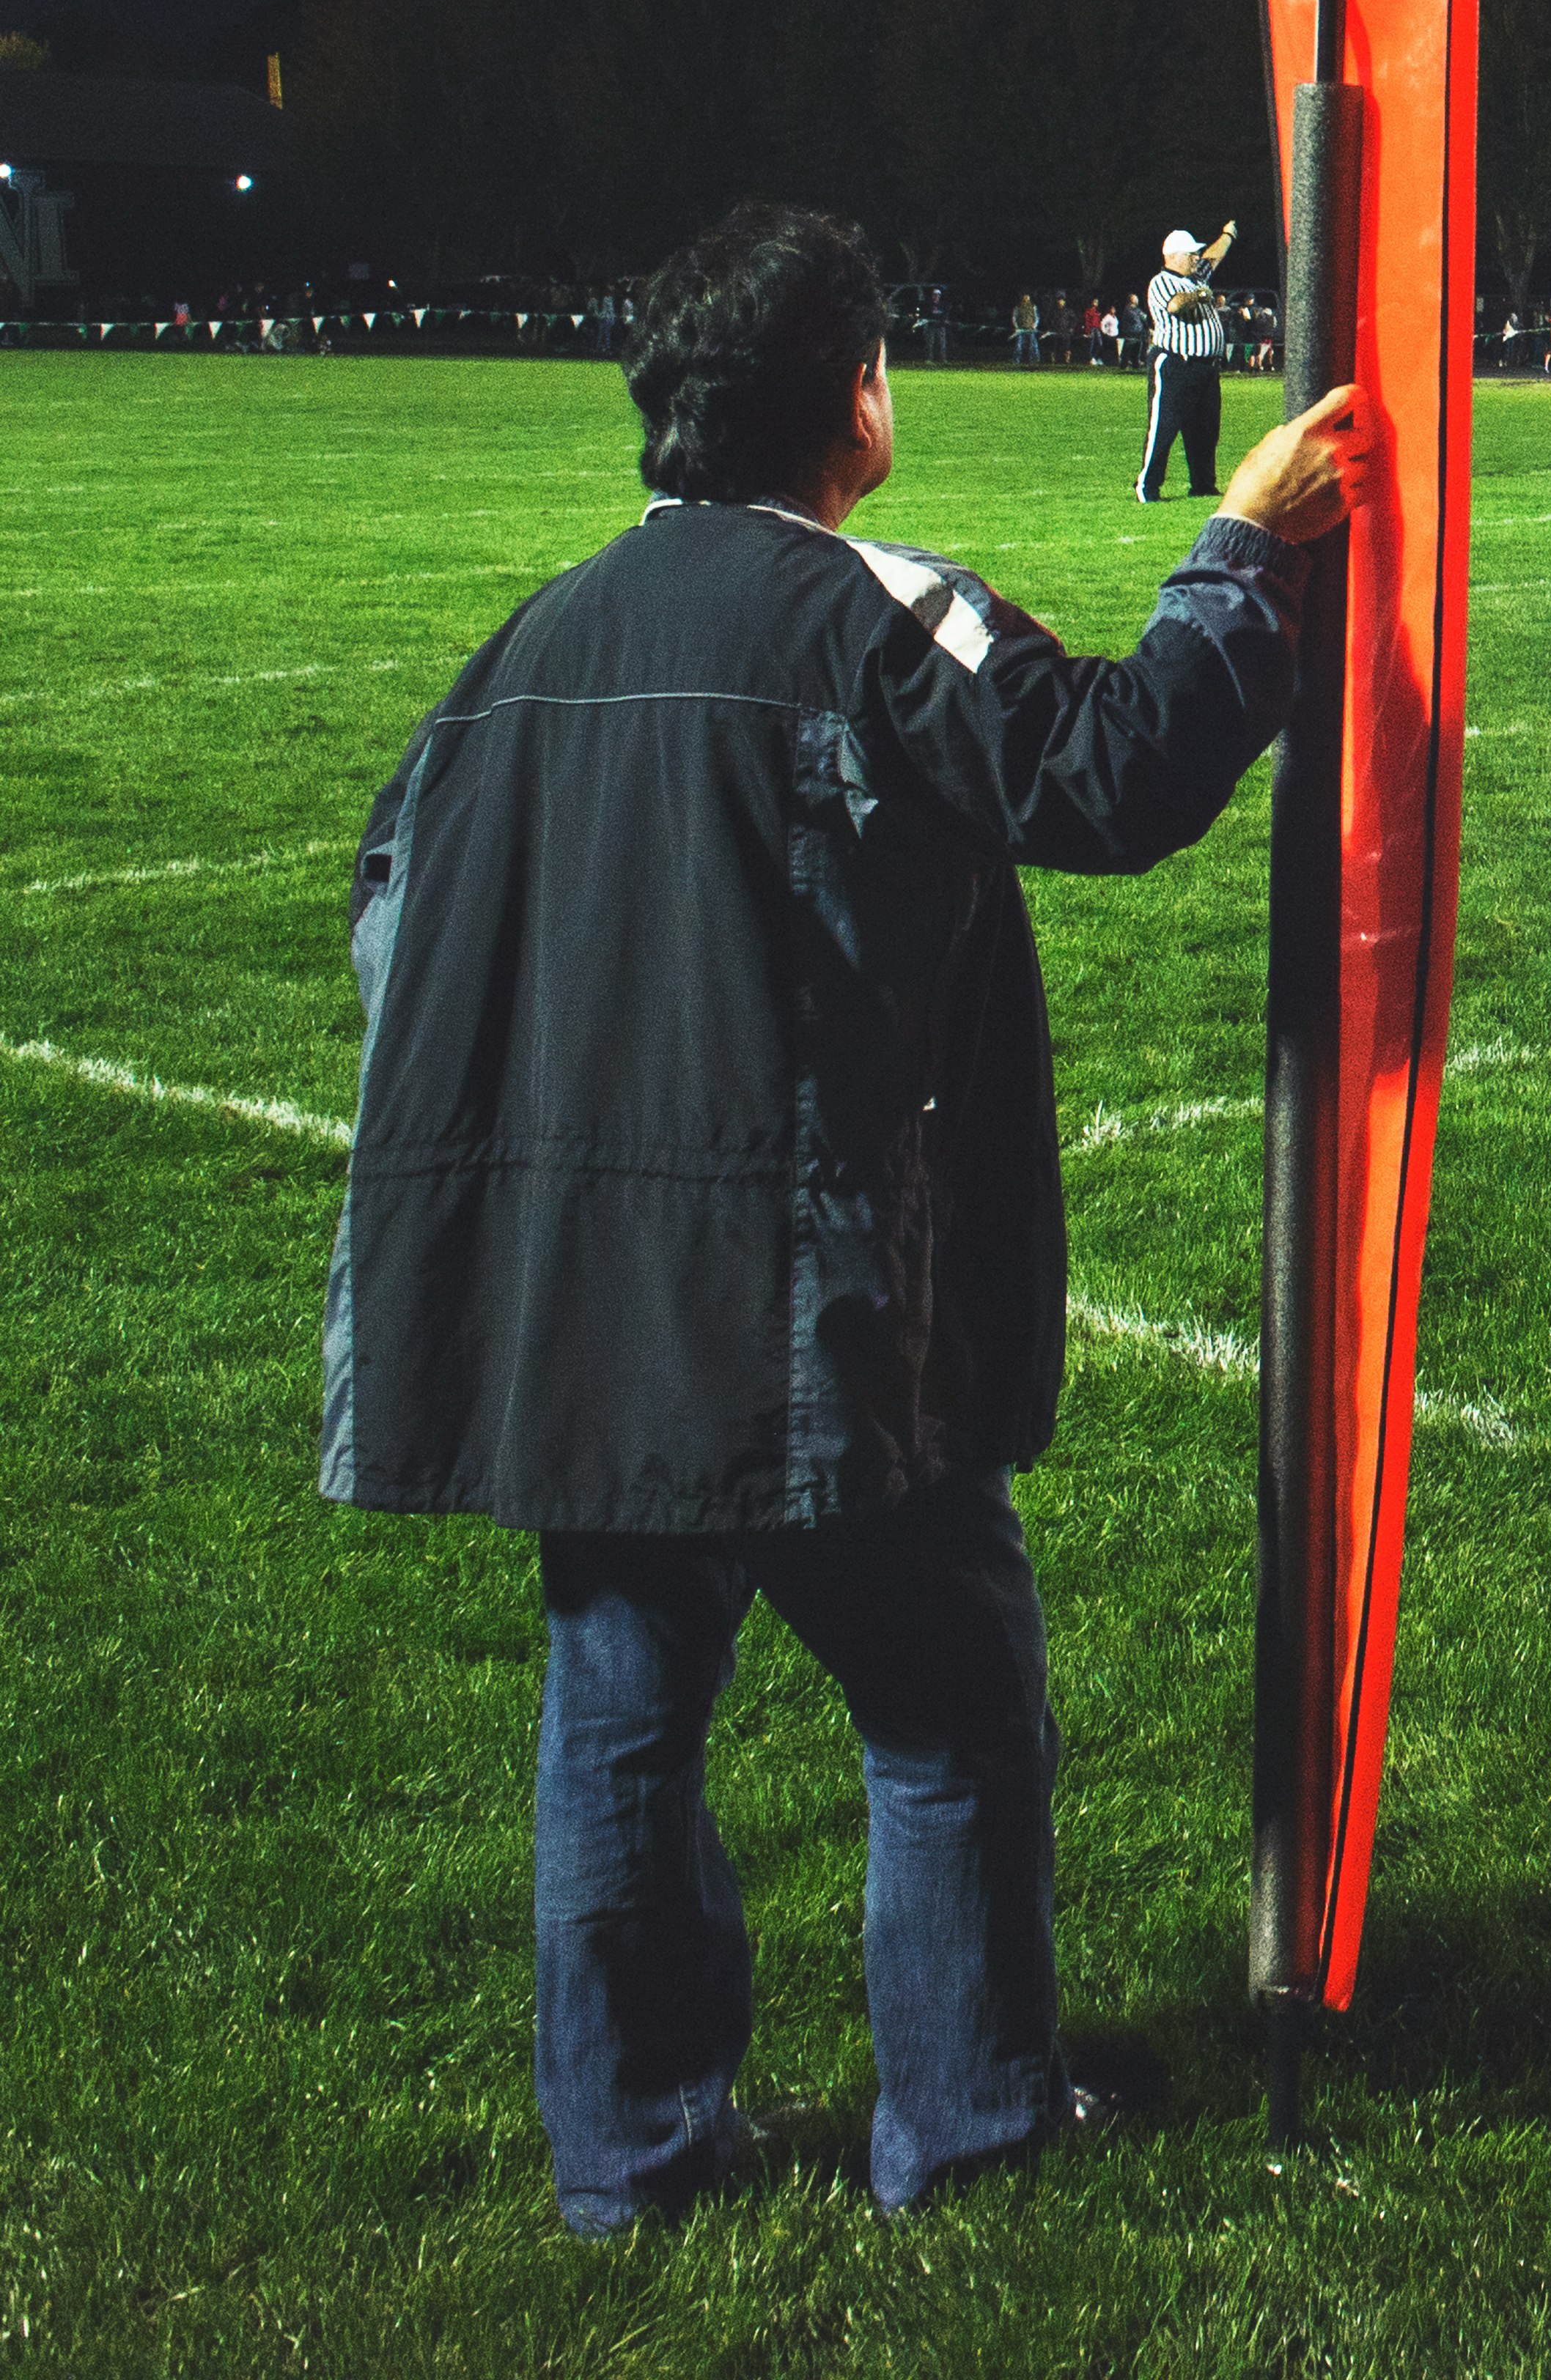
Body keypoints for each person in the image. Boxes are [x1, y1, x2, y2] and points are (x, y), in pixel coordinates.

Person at [324, 203, 1361, 2238]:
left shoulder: (534, 638)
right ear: (857, 396)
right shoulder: (874, 614)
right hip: (791, 1293)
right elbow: (1115, 776)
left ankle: (631, 2157)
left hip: (579, 1300)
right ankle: (963, 2122)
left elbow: (390, 903)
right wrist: (1242, 544)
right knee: (952, 1693)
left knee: (620, 1719)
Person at [1135, 222, 1234, 502]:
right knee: (1164, 426)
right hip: (1177, 363)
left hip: (1206, 367)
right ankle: (1147, 486)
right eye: (1190, 254)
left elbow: (1215, 256)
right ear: (1174, 256)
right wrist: (1200, 295)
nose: (1195, 258)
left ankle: (1203, 484)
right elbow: (1175, 306)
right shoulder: (1162, 281)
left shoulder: (1196, 276)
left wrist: (1228, 234)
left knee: (1205, 430)